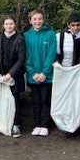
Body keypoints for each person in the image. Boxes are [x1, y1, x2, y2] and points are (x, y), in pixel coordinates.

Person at [55, 12, 80, 137]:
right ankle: (67, 127)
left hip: (79, 74)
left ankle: (79, 126)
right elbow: (56, 54)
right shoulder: (60, 37)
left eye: (78, 25)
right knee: (66, 100)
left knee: (78, 99)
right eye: (73, 25)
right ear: (68, 25)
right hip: (64, 73)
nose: (76, 28)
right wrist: (56, 63)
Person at [24, 8, 57, 137]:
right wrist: (33, 73)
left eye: (40, 19)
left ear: (43, 20)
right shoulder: (26, 36)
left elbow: (51, 55)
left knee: (45, 100)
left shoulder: (50, 34)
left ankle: (44, 125)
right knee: (36, 101)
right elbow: (26, 57)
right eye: (35, 19)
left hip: (46, 76)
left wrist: (44, 73)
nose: (37, 21)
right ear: (30, 21)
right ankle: (37, 124)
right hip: (33, 76)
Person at [0, 15, 26, 137]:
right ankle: (4, 123)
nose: (9, 26)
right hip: (1, 74)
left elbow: (21, 59)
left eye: (11, 24)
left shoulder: (20, 38)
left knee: (15, 100)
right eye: (6, 24)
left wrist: (10, 74)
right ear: (3, 25)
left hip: (15, 75)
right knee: (2, 100)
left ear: (15, 25)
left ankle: (16, 125)